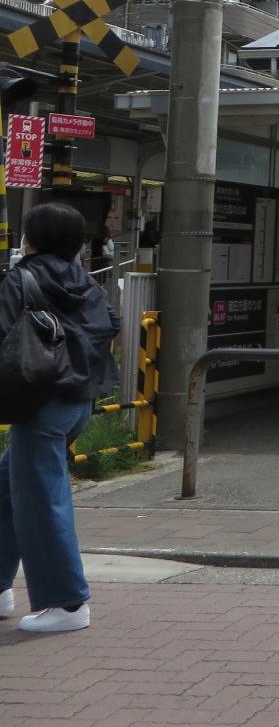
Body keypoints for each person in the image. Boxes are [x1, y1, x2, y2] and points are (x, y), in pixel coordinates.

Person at [0, 201, 120, 633]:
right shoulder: (87, 282)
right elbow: (108, 326)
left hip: (38, 403)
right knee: (7, 489)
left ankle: (66, 603)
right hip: (79, 402)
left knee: (41, 503)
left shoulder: (22, 277)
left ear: (32, 238)